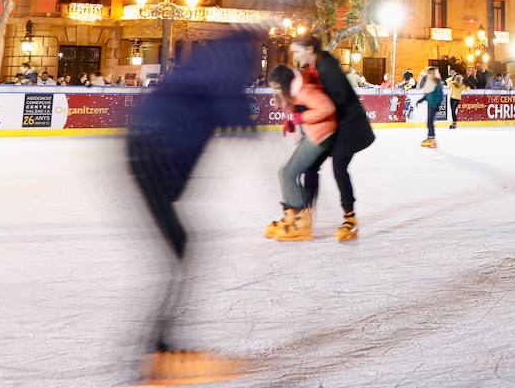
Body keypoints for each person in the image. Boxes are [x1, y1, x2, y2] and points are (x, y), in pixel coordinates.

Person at [125, 28, 257, 384]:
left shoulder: (204, 61)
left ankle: (159, 349)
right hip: (156, 155)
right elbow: (229, 104)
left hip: (145, 150)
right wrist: (246, 119)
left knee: (183, 252)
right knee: (183, 253)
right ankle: (157, 353)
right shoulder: (231, 61)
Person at [289, 34, 375, 243]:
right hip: (334, 127)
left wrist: (303, 114)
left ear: (310, 49)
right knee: (311, 166)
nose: (294, 55)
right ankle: (307, 216)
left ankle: (350, 218)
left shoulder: (327, 67)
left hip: (350, 127)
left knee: (339, 166)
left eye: (297, 50)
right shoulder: (316, 66)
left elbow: (336, 101)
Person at [264, 64, 337, 241]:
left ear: (285, 83)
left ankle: (301, 221)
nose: (274, 92)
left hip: (321, 134)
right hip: (313, 133)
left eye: (276, 87)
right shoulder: (293, 92)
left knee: (289, 173)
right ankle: (292, 216)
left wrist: (300, 118)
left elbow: (327, 108)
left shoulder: (304, 90)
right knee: (284, 172)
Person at [414, 67, 445, 148]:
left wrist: (438, 105)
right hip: (430, 104)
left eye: (430, 73)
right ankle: (430, 138)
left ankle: (432, 139)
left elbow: (440, 95)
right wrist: (420, 100)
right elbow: (427, 95)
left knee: (430, 122)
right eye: (428, 73)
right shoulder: (429, 82)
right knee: (429, 122)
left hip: (434, 105)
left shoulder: (437, 82)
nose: (429, 75)